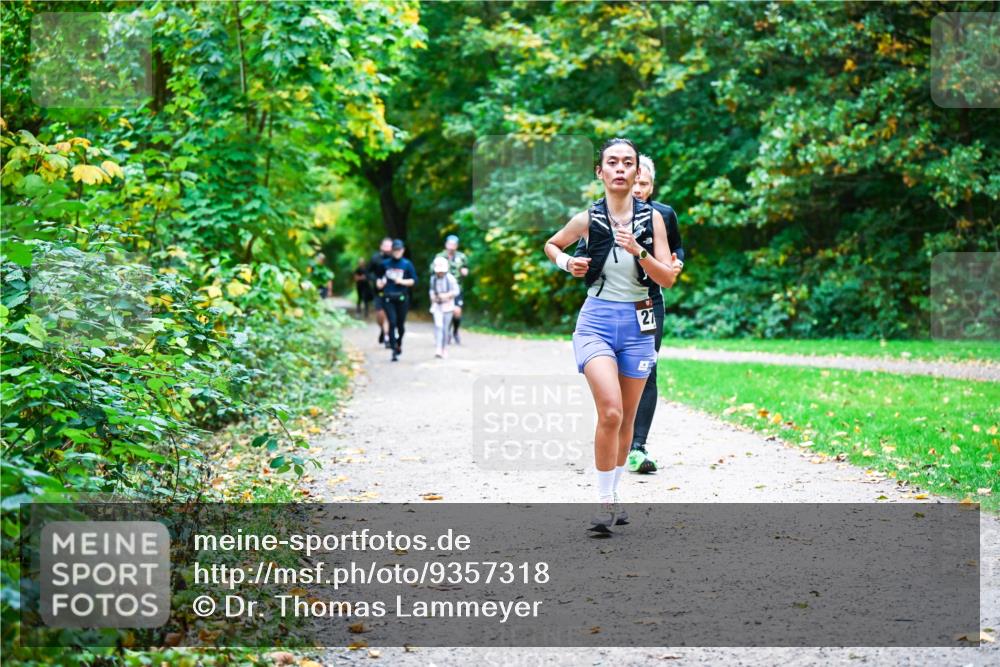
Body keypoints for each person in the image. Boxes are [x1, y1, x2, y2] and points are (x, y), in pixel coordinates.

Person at [544, 138, 681, 533]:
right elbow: (552, 245)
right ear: (600, 172)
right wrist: (568, 261)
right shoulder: (589, 218)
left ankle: (615, 493)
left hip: (639, 325)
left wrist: (640, 251)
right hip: (597, 322)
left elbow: (668, 278)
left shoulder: (653, 219)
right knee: (611, 410)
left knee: (626, 420)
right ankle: (604, 503)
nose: (620, 169)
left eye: (628, 163)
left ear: (638, 173)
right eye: (612, 163)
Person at [626, 155, 685, 474]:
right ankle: (616, 435)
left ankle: (637, 446)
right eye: (634, 181)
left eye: (644, 184)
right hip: (613, 304)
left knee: (647, 368)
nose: (637, 189)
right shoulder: (604, 212)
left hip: (649, 303)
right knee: (619, 372)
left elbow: (678, 247)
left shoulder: (663, 214)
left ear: (651, 186)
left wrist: (677, 263)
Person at [376, 239, 417, 362]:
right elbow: (378, 279)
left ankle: (398, 343)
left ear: (402, 250)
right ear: (391, 251)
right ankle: (393, 350)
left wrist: (402, 281)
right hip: (388, 297)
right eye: (395, 250)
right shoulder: (384, 264)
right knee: (392, 323)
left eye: (399, 250)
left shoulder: (407, 264)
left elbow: (414, 280)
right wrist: (380, 284)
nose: (397, 252)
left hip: (402, 298)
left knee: (400, 325)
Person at [434, 234, 469, 344]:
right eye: (449, 244)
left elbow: (466, 268)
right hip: (443, 288)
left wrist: (465, 272)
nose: (451, 247)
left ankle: (455, 331)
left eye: (454, 244)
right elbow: (433, 271)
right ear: (446, 244)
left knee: (457, 312)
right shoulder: (439, 256)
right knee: (445, 311)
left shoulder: (462, 257)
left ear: (457, 246)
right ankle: (446, 332)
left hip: (457, 288)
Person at [428, 256, 460, 358]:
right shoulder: (433, 279)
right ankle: (438, 348)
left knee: (445, 328)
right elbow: (432, 290)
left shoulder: (450, 279)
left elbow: (456, 291)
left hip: (448, 306)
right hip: (437, 306)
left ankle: (444, 348)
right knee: (439, 326)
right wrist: (433, 297)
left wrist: (446, 296)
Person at [367, 237, 393, 346]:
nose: (387, 248)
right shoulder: (375, 258)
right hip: (378, 291)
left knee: (388, 314)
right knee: (380, 314)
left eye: (389, 246)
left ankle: (387, 336)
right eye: (385, 245)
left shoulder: (395, 259)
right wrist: (376, 280)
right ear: (381, 246)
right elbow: (368, 272)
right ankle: (383, 329)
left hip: (391, 291)